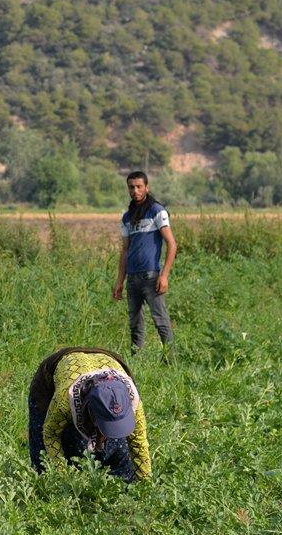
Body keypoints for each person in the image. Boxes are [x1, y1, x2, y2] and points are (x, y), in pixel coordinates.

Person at [27, 347, 151, 483]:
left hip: (104, 358)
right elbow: (50, 435)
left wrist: (144, 486)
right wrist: (62, 476)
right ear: (91, 413)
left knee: (119, 446)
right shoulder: (64, 401)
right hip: (52, 381)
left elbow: (139, 444)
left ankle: (118, 486)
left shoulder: (134, 403)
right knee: (52, 452)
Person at [112, 170, 177, 353]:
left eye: (139, 186)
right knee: (135, 323)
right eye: (131, 187)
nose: (135, 191)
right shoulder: (127, 217)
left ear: (147, 188)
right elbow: (125, 250)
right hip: (132, 278)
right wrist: (119, 281)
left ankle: (170, 362)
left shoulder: (157, 211)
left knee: (161, 321)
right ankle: (136, 362)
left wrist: (164, 276)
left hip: (151, 276)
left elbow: (172, 244)